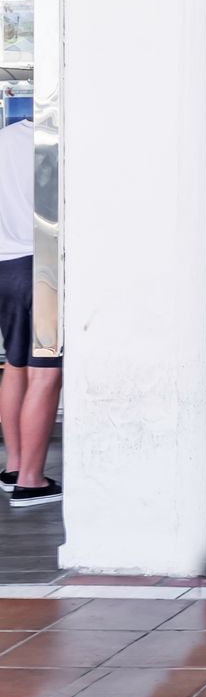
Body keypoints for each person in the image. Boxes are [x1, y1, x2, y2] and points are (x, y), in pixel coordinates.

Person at [0, 114, 58, 506]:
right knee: (47, 374)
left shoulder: (5, 139)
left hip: (4, 266)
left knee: (15, 366)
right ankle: (32, 481)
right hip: (40, 269)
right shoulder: (54, 140)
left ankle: (14, 467)